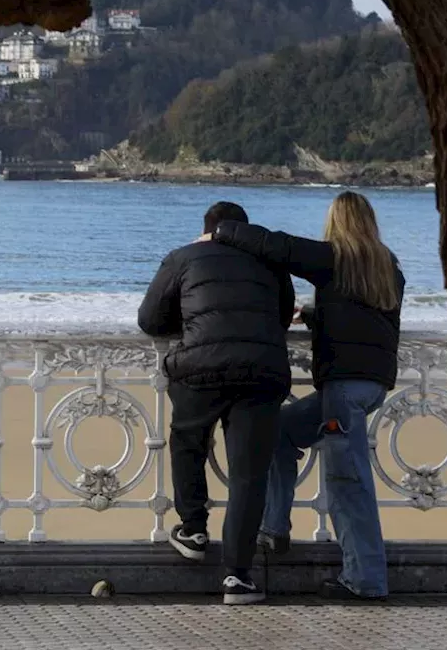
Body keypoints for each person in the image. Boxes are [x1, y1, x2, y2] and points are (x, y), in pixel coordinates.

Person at [212, 190, 404, 602]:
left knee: (348, 484)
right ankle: (273, 529)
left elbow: (275, 245)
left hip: (343, 389)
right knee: (279, 434)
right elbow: (369, 317)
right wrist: (317, 316)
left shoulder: (333, 257)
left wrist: (222, 231)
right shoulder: (388, 265)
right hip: (371, 385)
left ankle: (365, 581)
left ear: (337, 223)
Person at [138, 201, 294, 605]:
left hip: (200, 369)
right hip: (262, 373)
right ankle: (238, 577)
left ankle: (193, 528)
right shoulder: (272, 262)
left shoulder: (183, 257)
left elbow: (150, 320)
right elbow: (279, 317)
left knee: (188, 440)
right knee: (248, 474)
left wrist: (193, 322)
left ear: (205, 229)